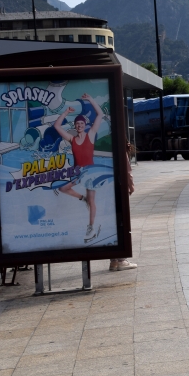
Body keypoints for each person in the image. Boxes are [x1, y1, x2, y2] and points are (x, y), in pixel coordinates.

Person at [53, 93, 104, 244]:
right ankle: (83, 199)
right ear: (75, 126)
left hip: (90, 174)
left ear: (85, 125)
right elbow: (56, 126)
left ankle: (91, 227)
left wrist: (91, 100)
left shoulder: (91, 135)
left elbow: (100, 114)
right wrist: (66, 113)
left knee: (93, 201)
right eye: (77, 124)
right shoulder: (72, 139)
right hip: (78, 173)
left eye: (81, 124)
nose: (79, 125)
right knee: (63, 188)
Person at [110, 142, 137, 271]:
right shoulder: (121, 149)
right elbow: (127, 171)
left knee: (112, 223)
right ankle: (121, 260)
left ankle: (113, 260)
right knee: (121, 223)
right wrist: (131, 187)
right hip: (120, 190)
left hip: (106, 191)